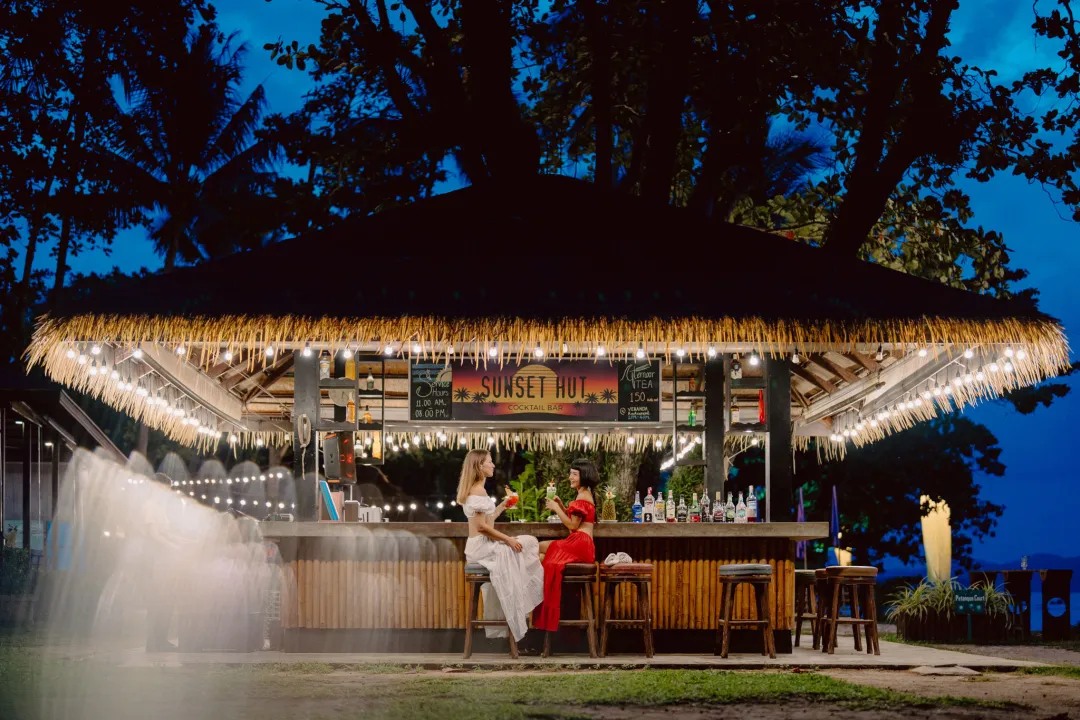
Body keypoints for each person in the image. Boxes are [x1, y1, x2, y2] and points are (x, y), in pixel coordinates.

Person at [459, 449, 543, 642]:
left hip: (480, 545)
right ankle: (522, 603)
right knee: (528, 543)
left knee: (525, 546)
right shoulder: (478, 491)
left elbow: (487, 522)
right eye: (489, 462)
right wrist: (508, 540)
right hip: (482, 547)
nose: (493, 465)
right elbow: (481, 528)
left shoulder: (476, 489)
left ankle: (520, 602)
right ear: (479, 466)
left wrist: (502, 507)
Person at [533, 458, 598, 633]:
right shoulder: (584, 494)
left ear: (584, 476)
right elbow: (575, 522)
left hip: (579, 543)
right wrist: (562, 506)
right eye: (570, 473)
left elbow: (572, 526)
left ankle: (534, 597)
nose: (570, 477)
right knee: (540, 557)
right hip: (580, 543)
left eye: (574, 474)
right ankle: (539, 597)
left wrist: (556, 508)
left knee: (535, 548)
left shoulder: (583, 496)